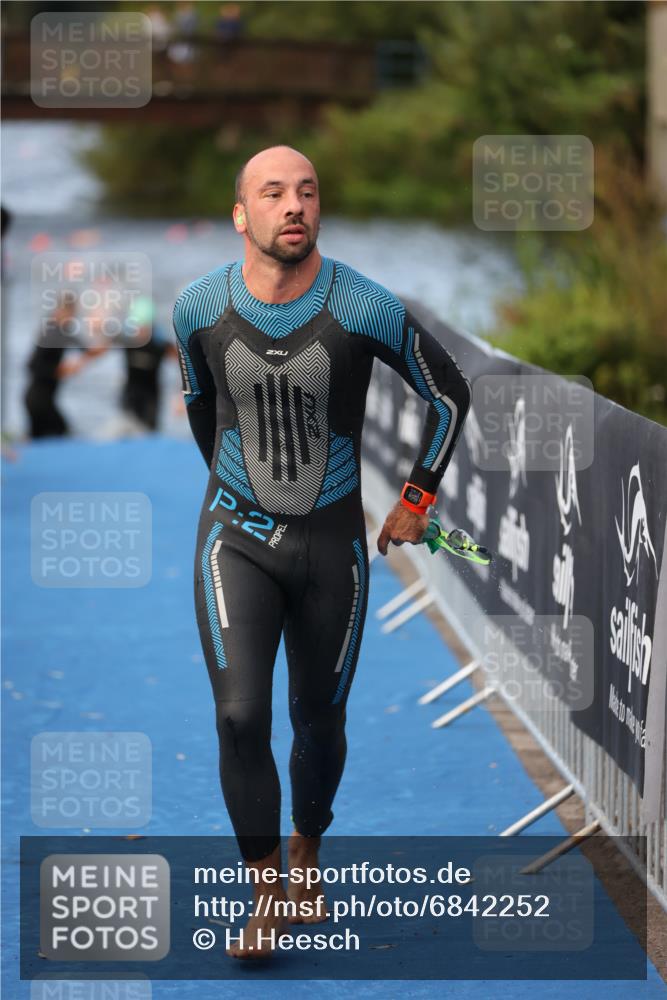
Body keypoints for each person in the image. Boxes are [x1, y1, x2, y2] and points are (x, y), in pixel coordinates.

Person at [172, 145, 471, 959]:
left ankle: (306, 848)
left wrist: (416, 501)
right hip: (234, 539)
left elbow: (448, 393)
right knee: (239, 717)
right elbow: (201, 411)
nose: (293, 205)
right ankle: (265, 895)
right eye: (273, 193)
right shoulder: (198, 307)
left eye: (306, 192)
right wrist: (240, 496)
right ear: (242, 215)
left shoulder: (363, 305)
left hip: (331, 546)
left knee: (319, 719)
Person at [24, 292, 102, 439]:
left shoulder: (63, 331)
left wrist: (102, 332)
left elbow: (89, 350)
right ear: (60, 311)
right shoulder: (52, 332)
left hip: (45, 398)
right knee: (58, 432)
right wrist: (60, 370)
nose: (73, 318)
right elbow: (32, 366)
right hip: (37, 399)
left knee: (52, 435)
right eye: (71, 313)